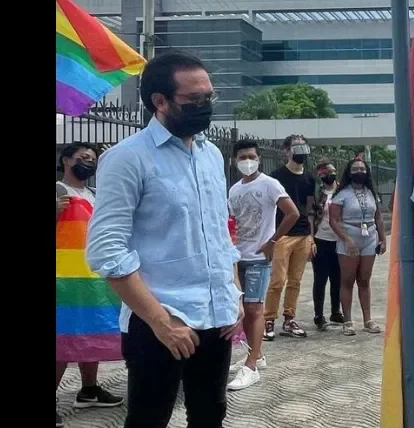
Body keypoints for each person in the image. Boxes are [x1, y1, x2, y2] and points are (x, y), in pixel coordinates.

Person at [86, 51, 244, 428]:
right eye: (195, 100)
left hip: (215, 316)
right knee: (148, 418)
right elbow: (107, 250)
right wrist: (161, 321)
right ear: (160, 101)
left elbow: (218, 230)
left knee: (210, 415)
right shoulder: (128, 158)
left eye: (210, 97)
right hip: (160, 321)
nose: (205, 106)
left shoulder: (210, 154)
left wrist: (233, 292)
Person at [55, 142, 123, 428]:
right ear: (66, 160)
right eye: (82, 157)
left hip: (93, 275)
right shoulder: (58, 190)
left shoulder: (95, 195)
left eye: (93, 159)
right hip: (63, 277)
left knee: (90, 329)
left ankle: (89, 389)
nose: (88, 162)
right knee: (63, 336)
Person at [226, 140, 299, 390]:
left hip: (258, 259)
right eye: (243, 157)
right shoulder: (234, 189)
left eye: (251, 156)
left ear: (258, 158)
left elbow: (292, 213)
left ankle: (251, 367)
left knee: (255, 310)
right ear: (235, 161)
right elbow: (232, 221)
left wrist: (273, 241)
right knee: (245, 311)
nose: (247, 161)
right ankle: (256, 353)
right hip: (238, 257)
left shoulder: (269, 184)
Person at [265, 135, 317, 339]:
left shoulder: (310, 178)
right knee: (277, 280)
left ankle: (289, 318)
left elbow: (310, 209)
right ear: (287, 151)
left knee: (296, 281)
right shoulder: (276, 176)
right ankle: (268, 320)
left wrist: (312, 237)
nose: (301, 150)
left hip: (303, 234)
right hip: (282, 234)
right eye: (296, 147)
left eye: (303, 145)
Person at [328, 157, 387, 336]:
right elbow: (333, 220)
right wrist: (347, 239)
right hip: (350, 237)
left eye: (362, 168)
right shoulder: (341, 194)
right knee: (347, 280)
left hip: (369, 237)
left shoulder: (371, 192)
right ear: (349, 172)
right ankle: (347, 321)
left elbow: (378, 217)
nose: (359, 172)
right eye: (355, 169)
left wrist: (382, 239)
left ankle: (367, 320)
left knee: (364, 280)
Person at [312, 160, 344, 330]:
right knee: (320, 279)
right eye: (324, 173)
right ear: (319, 176)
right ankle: (319, 314)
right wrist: (311, 239)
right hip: (321, 238)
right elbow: (311, 215)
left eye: (330, 171)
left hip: (339, 240)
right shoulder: (317, 193)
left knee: (337, 278)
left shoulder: (343, 191)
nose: (328, 175)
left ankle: (335, 311)